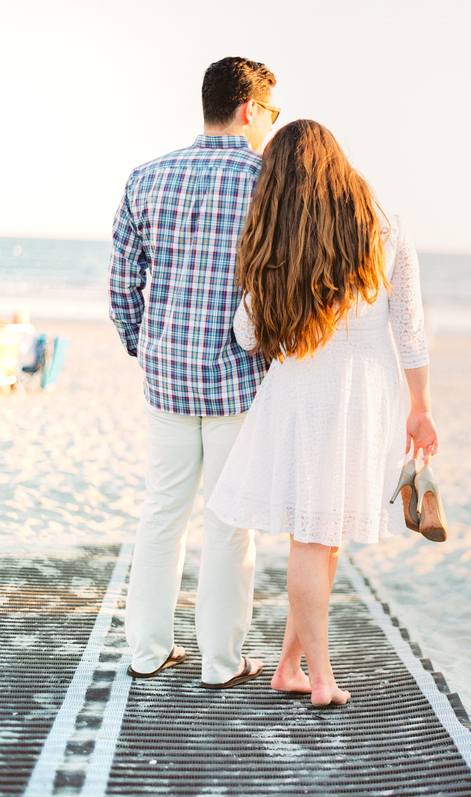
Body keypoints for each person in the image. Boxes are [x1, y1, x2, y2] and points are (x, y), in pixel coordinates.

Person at [207, 119, 442, 706]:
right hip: (366, 390)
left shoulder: (278, 238)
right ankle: (323, 678)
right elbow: (410, 329)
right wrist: (422, 407)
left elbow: (246, 335)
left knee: (320, 534)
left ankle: (291, 667)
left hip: (302, 389)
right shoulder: (384, 227)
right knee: (320, 536)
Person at [109, 56, 279, 688]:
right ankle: (220, 663)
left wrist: (143, 346)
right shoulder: (269, 181)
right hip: (239, 380)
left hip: (166, 379)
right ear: (250, 109)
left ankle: (149, 651)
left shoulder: (146, 177)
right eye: (272, 112)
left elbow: (124, 285)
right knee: (229, 522)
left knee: (162, 511)